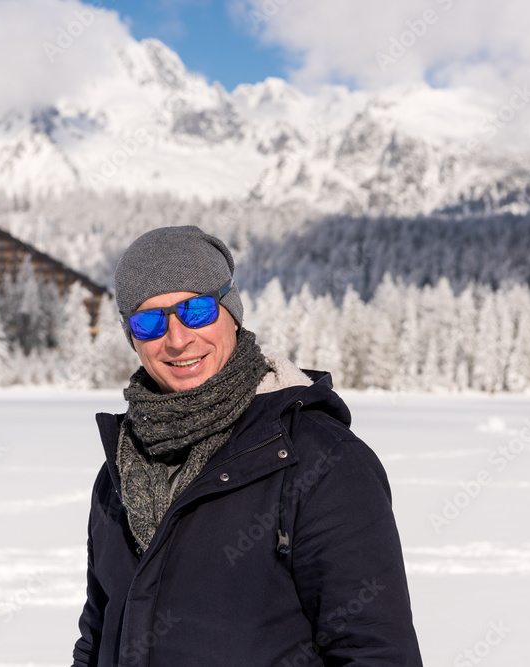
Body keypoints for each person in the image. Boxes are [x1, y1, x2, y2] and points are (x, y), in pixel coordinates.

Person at [72, 226, 422, 666]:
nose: (178, 339)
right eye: (149, 321)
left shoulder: (320, 461)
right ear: (132, 336)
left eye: (195, 310)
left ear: (231, 312)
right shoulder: (120, 470)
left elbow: (375, 652)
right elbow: (98, 638)